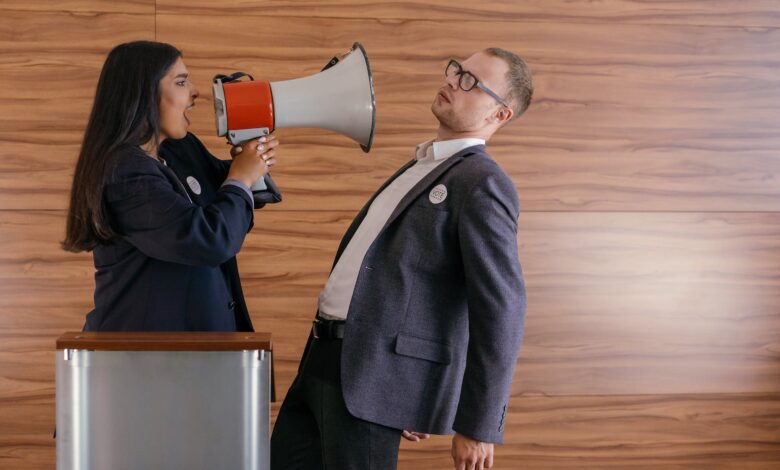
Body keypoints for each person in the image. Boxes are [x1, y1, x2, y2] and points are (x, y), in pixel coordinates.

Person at [271, 48, 532, 470]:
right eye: (456, 70)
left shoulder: (483, 184)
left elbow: (501, 309)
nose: (453, 81)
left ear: (499, 115)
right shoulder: (421, 165)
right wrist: (410, 382)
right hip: (323, 361)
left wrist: (479, 425)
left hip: (366, 383)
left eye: (471, 82)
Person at [63, 40, 280, 331]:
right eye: (181, 82)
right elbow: (212, 239)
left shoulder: (180, 149)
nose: (195, 92)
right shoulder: (125, 174)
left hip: (187, 354)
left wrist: (250, 159)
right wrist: (241, 177)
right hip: (142, 357)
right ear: (143, 94)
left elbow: (228, 205)